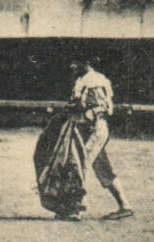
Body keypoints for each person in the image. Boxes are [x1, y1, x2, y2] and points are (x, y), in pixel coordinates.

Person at [37, 61, 134, 221]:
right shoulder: (86, 79)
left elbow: (98, 109)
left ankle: (76, 210)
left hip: (92, 130)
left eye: (76, 63)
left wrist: (74, 110)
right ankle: (125, 205)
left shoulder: (93, 81)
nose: (72, 66)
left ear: (87, 63)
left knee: (78, 167)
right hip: (89, 130)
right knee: (101, 166)